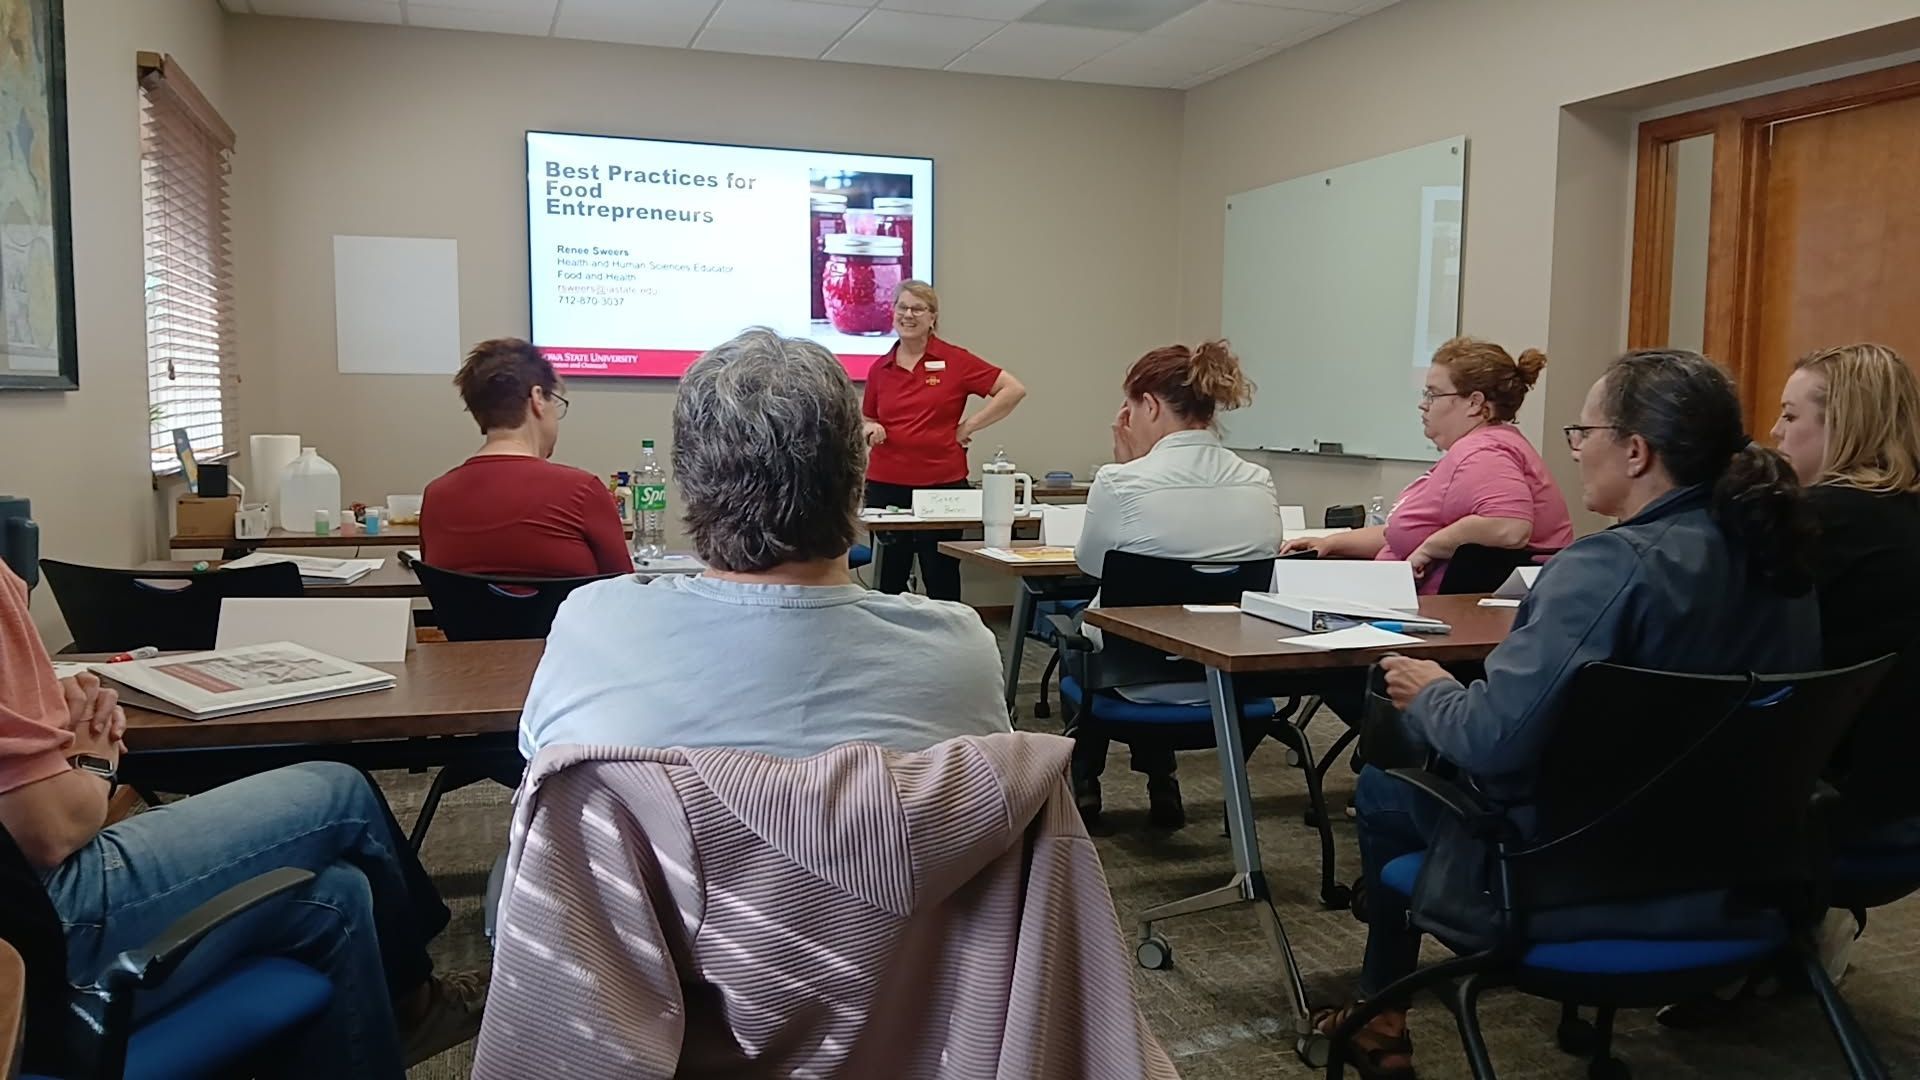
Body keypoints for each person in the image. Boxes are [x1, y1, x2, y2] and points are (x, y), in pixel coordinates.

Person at [1316, 350, 1821, 1079]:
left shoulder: (1603, 569)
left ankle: (1382, 1014)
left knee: (1386, 787)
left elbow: (1493, 741)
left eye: (1584, 431)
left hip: (1570, 878)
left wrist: (1431, 692)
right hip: (1741, 880)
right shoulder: (1781, 559)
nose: (1577, 449)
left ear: (1637, 451)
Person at [0, 564, 484, 1078]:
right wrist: (94, 758)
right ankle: (418, 1002)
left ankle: (406, 1013)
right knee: (340, 789)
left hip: (28, 907)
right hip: (41, 926)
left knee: (335, 897)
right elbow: (49, 829)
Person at [520, 328, 1010, 760]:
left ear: (689, 480)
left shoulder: (591, 628)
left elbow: (543, 779)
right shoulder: (960, 653)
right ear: (857, 481)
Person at [1071, 340, 1278, 828]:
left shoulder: (1121, 482)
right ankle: (1160, 777)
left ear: (1150, 405)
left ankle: (1085, 783)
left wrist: (1124, 467)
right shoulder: (1258, 479)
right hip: (1227, 681)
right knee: (1145, 624)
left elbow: (1092, 565)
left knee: (1089, 633)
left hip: (1134, 681)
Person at [1771, 343, 1920, 980]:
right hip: (1901, 799)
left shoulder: (1814, 524)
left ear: (1843, 426)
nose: (1773, 432)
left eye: (1790, 415)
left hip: (1832, 807)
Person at [1282, 337, 1572, 591]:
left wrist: (1429, 549)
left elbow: (1509, 527)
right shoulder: (1483, 446)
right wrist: (1331, 543)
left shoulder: (1484, 454)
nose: (1423, 404)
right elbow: (1403, 534)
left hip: (1436, 618)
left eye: (1433, 394)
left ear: (1474, 403)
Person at [862, 281, 1027, 600]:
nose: (908, 315)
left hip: (942, 485)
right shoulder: (880, 368)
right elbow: (868, 417)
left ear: (932, 317)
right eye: (902, 307)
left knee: (941, 575)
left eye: (917, 308)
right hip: (886, 486)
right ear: (892, 312)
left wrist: (969, 426)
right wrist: (869, 429)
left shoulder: (955, 360)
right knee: (887, 580)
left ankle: (947, 645)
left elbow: (1013, 389)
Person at [421, 338, 633, 578]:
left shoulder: (436, 497)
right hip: (564, 617)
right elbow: (625, 592)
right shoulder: (583, 491)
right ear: (538, 398)